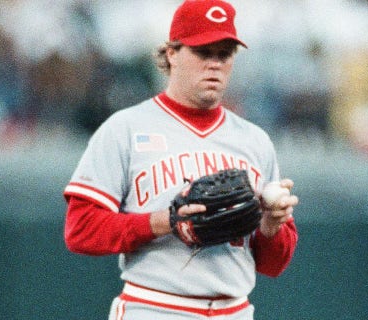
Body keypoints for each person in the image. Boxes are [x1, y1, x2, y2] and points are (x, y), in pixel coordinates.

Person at [62, 1, 299, 319]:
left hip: (235, 310)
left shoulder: (255, 141)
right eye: (203, 52)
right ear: (171, 53)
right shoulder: (126, 128)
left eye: (224, 54)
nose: (214, 64)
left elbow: (272, 265)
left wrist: (272, 224)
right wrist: (163, 221)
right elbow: (80, 230)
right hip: (155, 307)